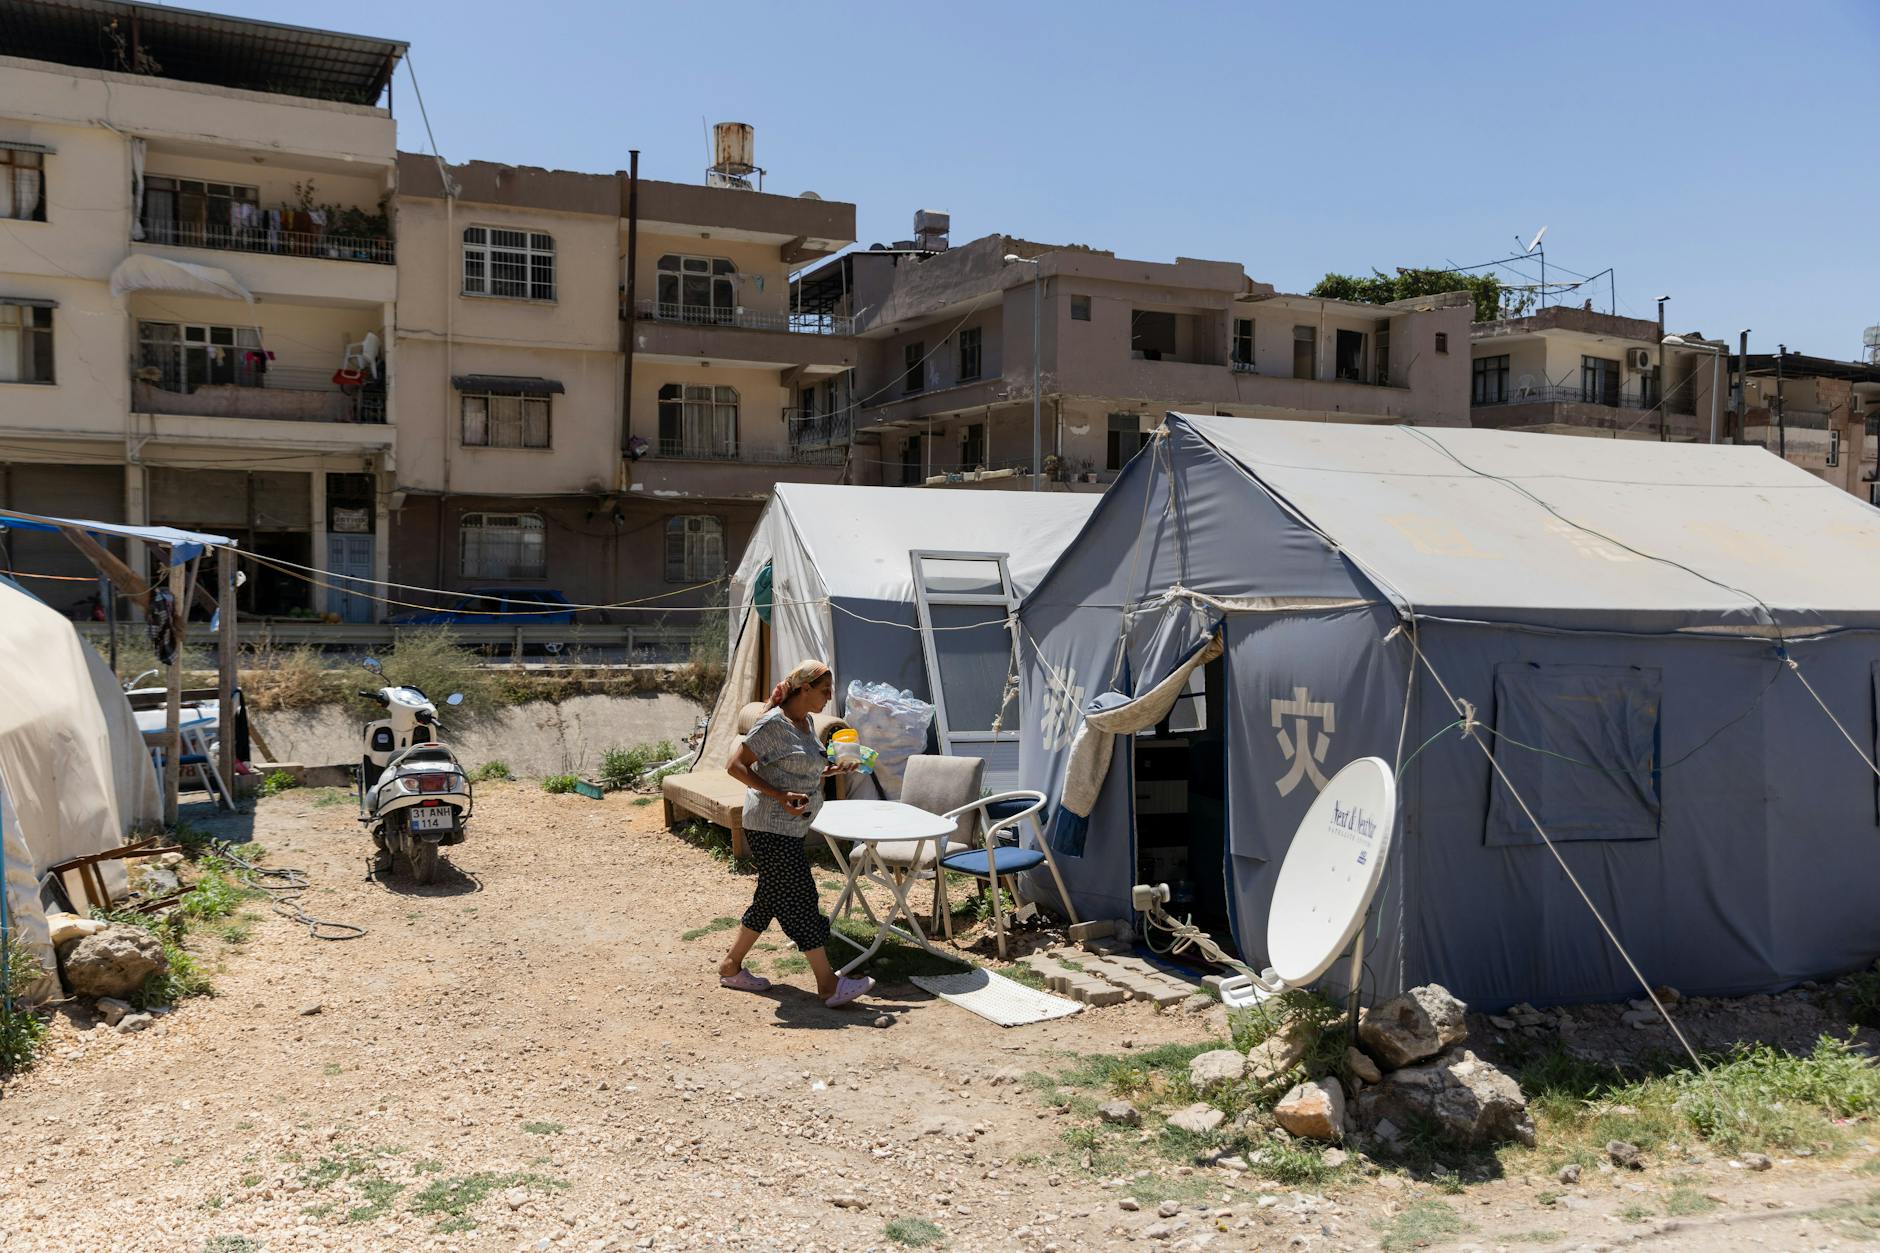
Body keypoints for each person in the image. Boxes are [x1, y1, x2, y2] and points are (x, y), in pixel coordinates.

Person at [717, 660, 873, 1008]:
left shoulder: (806, 723)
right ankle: (828, 985)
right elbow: (735, 766)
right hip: (770, 826)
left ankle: (731, 967)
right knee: (801, 899)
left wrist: (832, 769)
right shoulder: (773, 723)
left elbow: (800, 766)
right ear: (803, 690)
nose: (829, 698)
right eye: (824, 691)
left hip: (793, 825)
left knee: (770, 898)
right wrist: (779, 796)